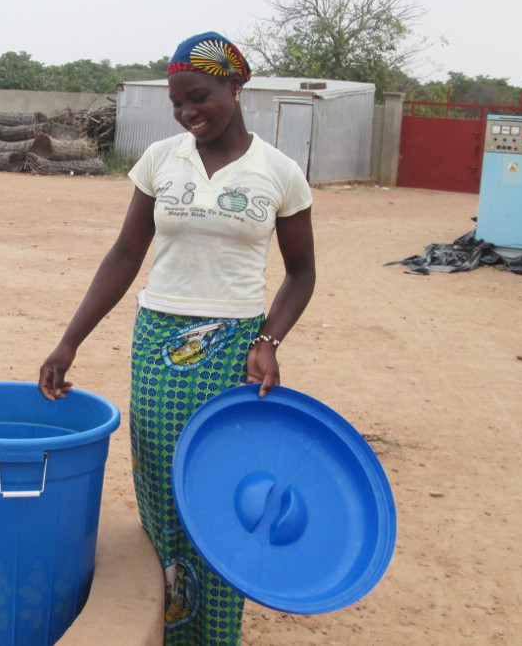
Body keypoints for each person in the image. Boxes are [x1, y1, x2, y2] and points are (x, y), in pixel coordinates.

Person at [38, 32, 316, 645]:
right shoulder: (161, 160)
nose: (189, 113)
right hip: (159, 342)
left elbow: (302, 272)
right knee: (162, 490)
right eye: (177, 103)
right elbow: (124, 254)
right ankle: (167, 628)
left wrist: (269, 339)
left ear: (235, 87)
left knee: (221, 492)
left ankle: (215, 634)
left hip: (234, 349)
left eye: (200, 97)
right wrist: (69, 340)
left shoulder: (279, 172)